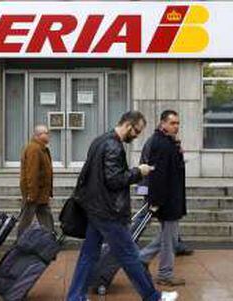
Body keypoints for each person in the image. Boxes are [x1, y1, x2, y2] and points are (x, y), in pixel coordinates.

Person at [67, 111, 178, 301]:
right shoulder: (113, 146)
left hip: (95, 209)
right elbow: (114, 180)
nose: (136, 136)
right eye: (136, 131)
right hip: (109, 212)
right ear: (128, 125)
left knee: (88, 255)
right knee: (130, 255)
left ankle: (75, 297)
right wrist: (139, 172)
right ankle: (153, 297)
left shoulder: (99, 141)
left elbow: (90, 175)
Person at [138, 110, 187, 287]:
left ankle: (141, 260)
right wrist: (155, 202)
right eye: (173, 123)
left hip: (170, 198)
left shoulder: (168, 142)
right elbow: (157, 175)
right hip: (166, 200)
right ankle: (164, 273)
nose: (176, 127)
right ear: (163, 123)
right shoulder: (160, 144)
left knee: (167, 236)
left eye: (178, 123)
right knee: (170, 238)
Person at [138, 128, 194, 258]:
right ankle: (130, 240)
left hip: (152, 187)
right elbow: (150, 167)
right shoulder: (155, 143)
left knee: (169, 221)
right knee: (145, 217)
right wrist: (144, 191)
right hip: (150, 187)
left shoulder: (165, 142)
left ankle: (177, 242)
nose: (176, 128)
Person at [18, 124, 55, 237]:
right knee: (26, 218)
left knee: (45, 215)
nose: (48, 136)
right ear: (39, 135)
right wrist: (31, 193)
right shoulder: (34, 149)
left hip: (41, 192)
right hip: (34, 193)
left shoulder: (41, 149)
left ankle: (50, 237)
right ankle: (20, 241)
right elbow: (31, 173)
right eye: (46, 133)